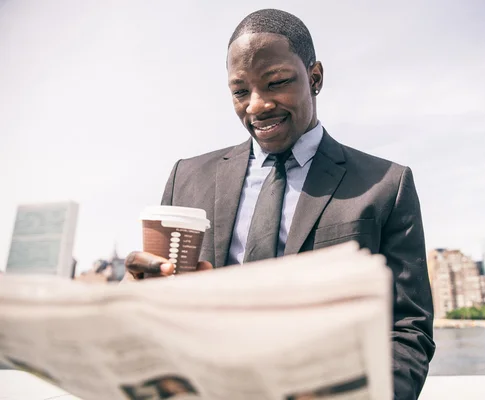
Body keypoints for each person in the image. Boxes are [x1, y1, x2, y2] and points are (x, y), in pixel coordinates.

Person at [124, 9, 435, 399]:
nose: (256, 105)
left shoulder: (387, 185)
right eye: (240, 91)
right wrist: (137, 294)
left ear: (315, 78)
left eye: (277, 83)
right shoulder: (187, 178)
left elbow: (408, 328)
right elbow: (160, 311)